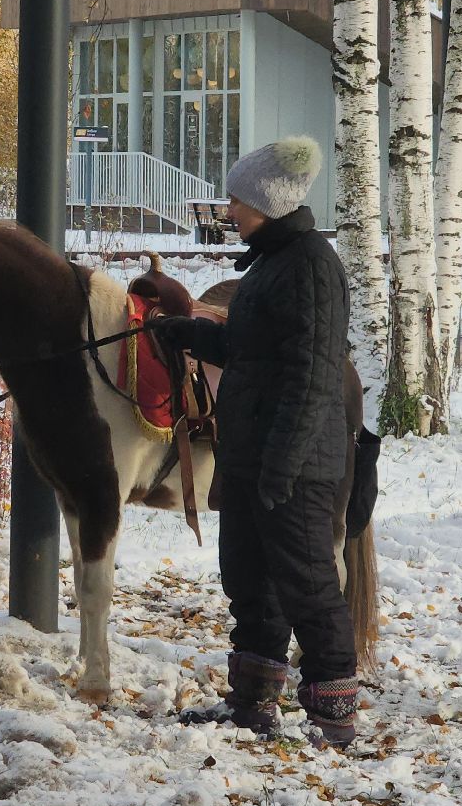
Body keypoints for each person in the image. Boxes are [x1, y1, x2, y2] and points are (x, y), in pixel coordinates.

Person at [149, 137, 361, 749]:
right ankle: (252, 704)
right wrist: (192, 334)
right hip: (251, 459)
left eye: (238, 200)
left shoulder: (311, 267)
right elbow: (254, 354)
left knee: (308, 585)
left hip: (290, 465)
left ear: (269, 202)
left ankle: (333, 717)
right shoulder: (270, 260)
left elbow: (312, 377)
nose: (230, 210)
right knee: (248, 580)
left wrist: (281, 469)